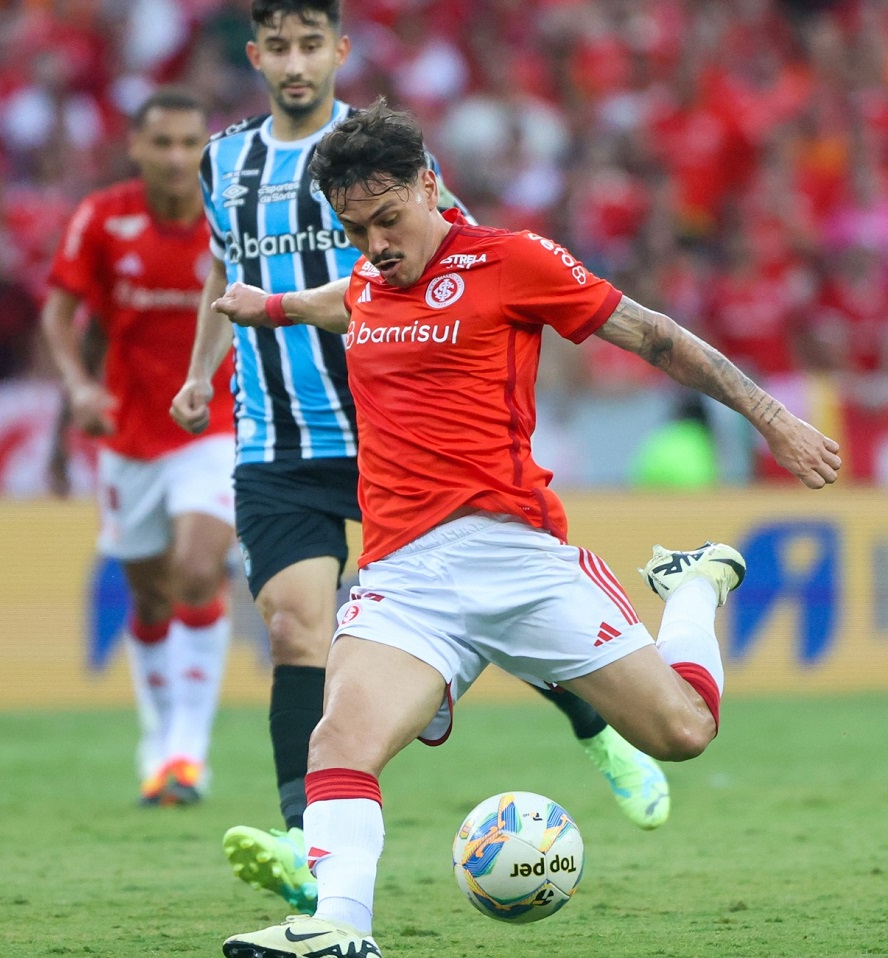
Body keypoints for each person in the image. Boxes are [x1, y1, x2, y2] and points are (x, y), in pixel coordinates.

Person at [215, 99, 841, 957]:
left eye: (389, 219)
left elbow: (653, 336)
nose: (376, 246)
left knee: (685, 732)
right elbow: (346, 300)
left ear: (429, 185)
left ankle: (694, 585)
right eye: (357, 229)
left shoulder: (511, 262)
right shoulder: (368, 279)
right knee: (341, 739)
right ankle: (338, 930)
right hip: (404, 575)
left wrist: (772, 418)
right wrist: (273, 306)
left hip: (516, 554)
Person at [170, 0, 670, 915]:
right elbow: (222, 263)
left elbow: (467, 270)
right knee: (293, 626)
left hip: (392, 435)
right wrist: (208, 361)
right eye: (276, 45)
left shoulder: (387, 162)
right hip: (278, 435)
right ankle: (305, 842)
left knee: (484, 595)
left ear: (337, 51)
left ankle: (601, 728)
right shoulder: (224, 160)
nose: (293, 61)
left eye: (309, 43)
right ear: (254, 55)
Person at [43, 87, 235, 807]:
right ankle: (157, 740)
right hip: (127, 435)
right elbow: (60, 317)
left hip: (210, 424)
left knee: (195, 568)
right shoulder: (102, 217)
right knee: (149, 597)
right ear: (137, 148)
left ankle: (189, 751)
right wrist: (78, 392)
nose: (179, 157)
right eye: (164, 143)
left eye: (192, 143)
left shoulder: (229, 221)